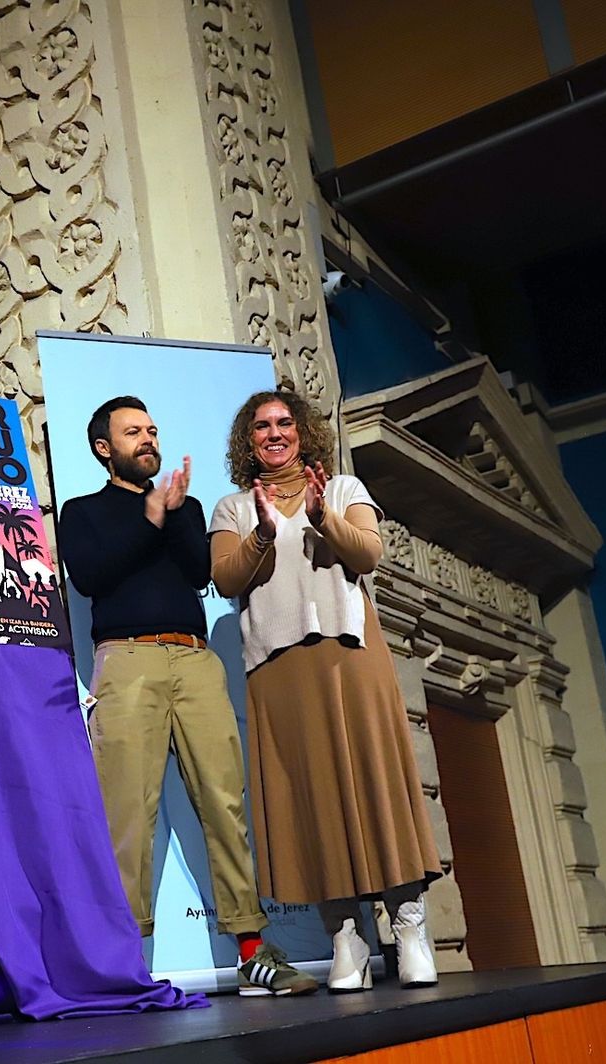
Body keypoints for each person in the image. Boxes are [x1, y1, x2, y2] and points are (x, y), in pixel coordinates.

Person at [58, 397, 317, 998]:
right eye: (133, 433)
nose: (148, 439)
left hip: (195, 660)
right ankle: (122, 964)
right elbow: (91, 576)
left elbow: (200, 571)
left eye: (152, 429)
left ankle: (254, 950)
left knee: (225, 804)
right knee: (127, 815)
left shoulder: (186, 508)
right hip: (126, 661)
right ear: (105, 448)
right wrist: (149, 517)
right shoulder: (83, 510)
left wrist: (171, 515)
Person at [209, 390, 442, 991]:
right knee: (309, 803)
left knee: (376, 787)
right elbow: (227, 575)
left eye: (284, 422)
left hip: (350, 657)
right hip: (279, 673)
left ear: (303, 431)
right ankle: (347, 939)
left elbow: (368, 554)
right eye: (260, 426)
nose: (274, 433)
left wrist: (322, 519)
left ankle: (410, 927)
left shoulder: (340, 489)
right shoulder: (233, 507)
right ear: (247, 440)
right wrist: (263, 532)